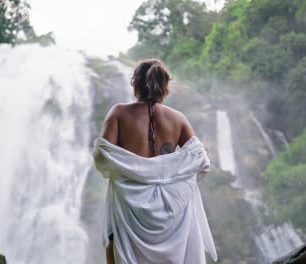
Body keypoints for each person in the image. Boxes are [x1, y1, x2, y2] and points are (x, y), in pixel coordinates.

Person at [92, 59, 217, 264]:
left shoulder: (119, 113)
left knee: (113, 236)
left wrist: (132, 170)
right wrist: (168, 173)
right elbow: (201, 162)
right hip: (172, 211)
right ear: (164, 86)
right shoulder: (178, 119)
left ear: (134, 83)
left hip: (130, 206)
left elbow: (101, 157)